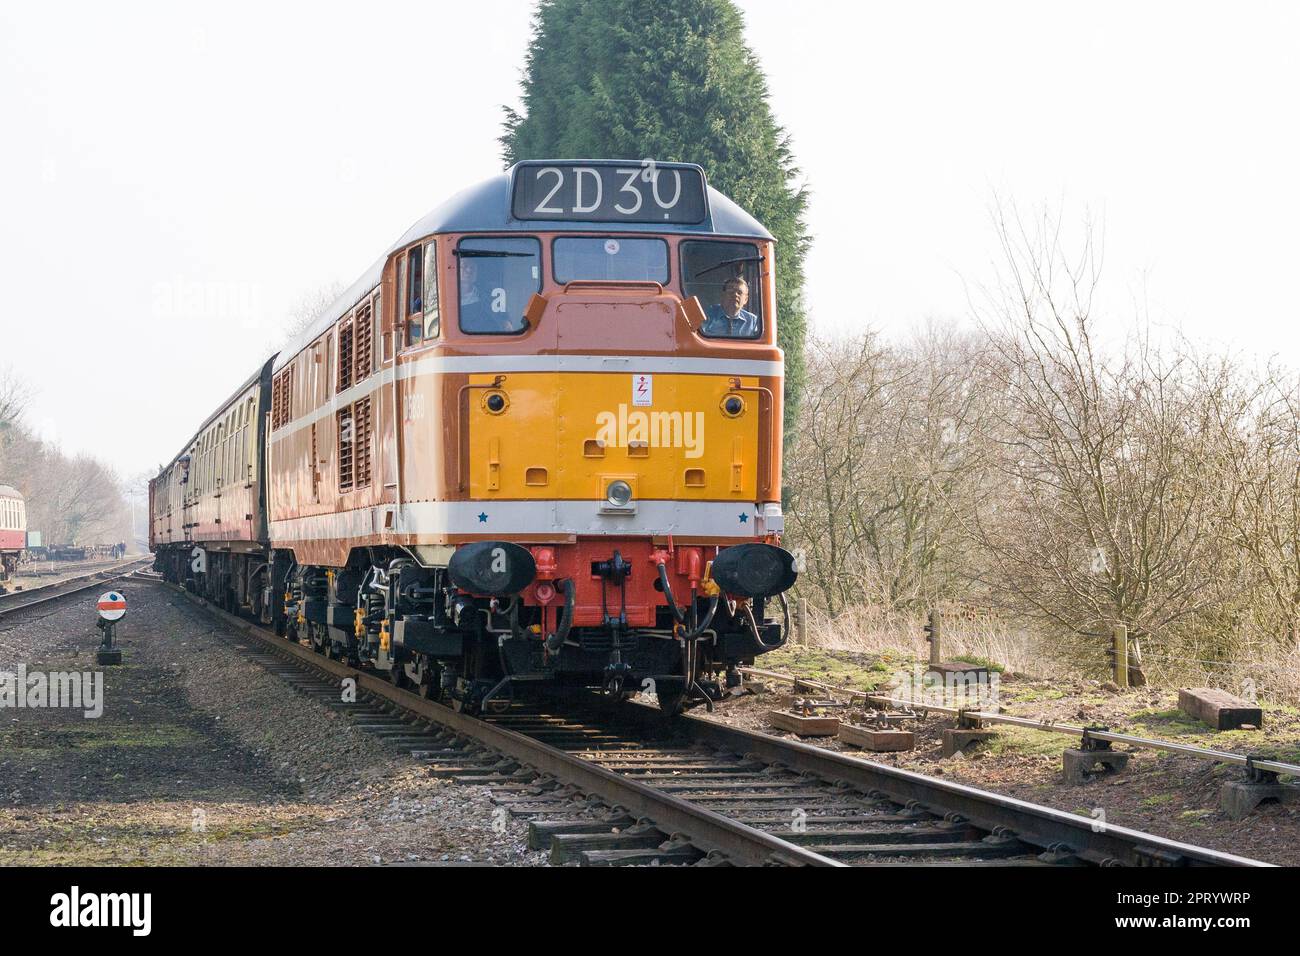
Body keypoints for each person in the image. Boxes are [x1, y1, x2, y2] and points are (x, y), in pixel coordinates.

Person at [459, 258, 518, 333]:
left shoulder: (490, 293)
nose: (469, 270)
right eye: (464, 266)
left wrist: (506, 323)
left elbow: (503, 318)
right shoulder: (447, 299)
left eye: (473, 267)